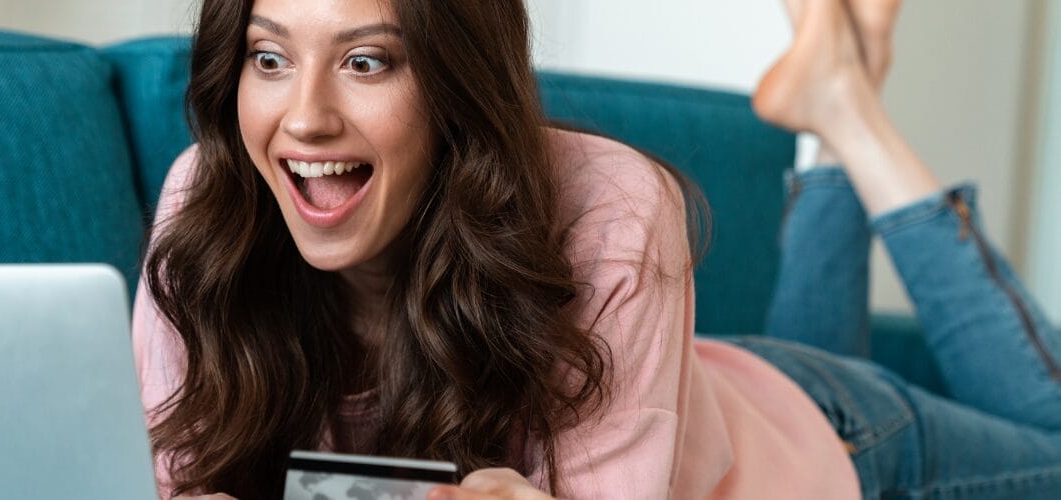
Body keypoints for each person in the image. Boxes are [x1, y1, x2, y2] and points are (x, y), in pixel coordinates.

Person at [130, 0, 1061, 497]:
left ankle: (853, 117)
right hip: (695, 394)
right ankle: (834, 100)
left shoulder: (615, 204)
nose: (304, 117)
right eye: (268, 55)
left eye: (368, 60)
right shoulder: (207, 207)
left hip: (829, 446)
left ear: (457, 80)